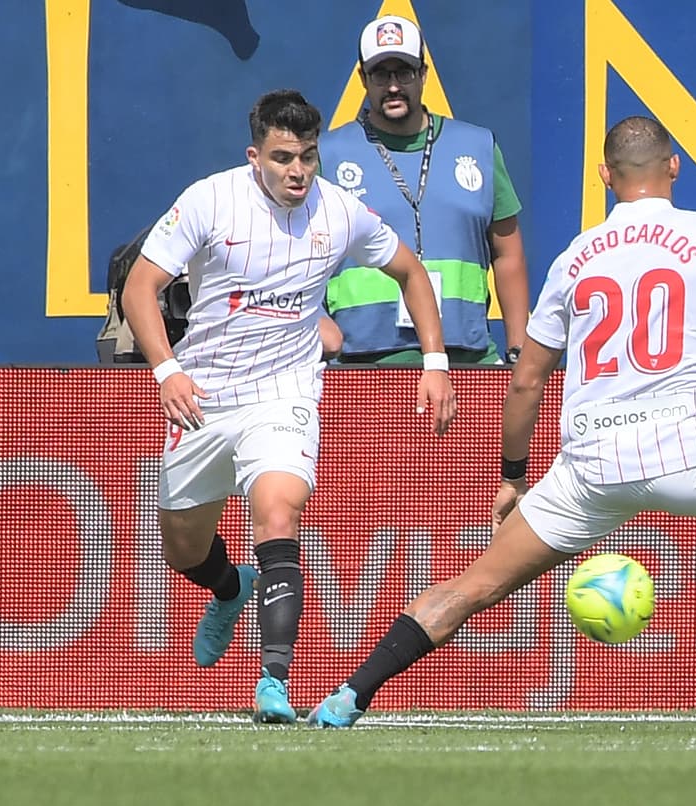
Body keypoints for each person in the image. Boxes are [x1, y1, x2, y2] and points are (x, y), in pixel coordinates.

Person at [306, 115, 696, 728]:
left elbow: (527, 380)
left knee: (475, 584)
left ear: (605, 178)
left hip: (591, 465)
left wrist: (513, 476)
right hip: (695, 454)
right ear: (674, 166)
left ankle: (347, 695)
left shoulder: (575, 258)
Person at [121, 89, 456, 724]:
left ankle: (273, 679)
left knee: (278, 514)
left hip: (285, 393)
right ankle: (229, 589)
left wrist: (435, 365)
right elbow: (142, 287)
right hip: (204, 393)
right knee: (183, 548)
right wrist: (167, 370)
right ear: (255, 157)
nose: (297, 171)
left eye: (307, 156)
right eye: (282, 158)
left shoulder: (339, 211)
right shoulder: (209, 200)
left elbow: (411, 271)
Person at [322, 14, 529, 366]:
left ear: (423, 74)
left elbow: (507, 254)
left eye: (403, 72)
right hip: (362, 360)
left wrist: (518, 348)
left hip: (468, 355)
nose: (392, 86)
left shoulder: (478, 146)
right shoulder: (328, 154)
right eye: (380, 74)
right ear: (362, 78)